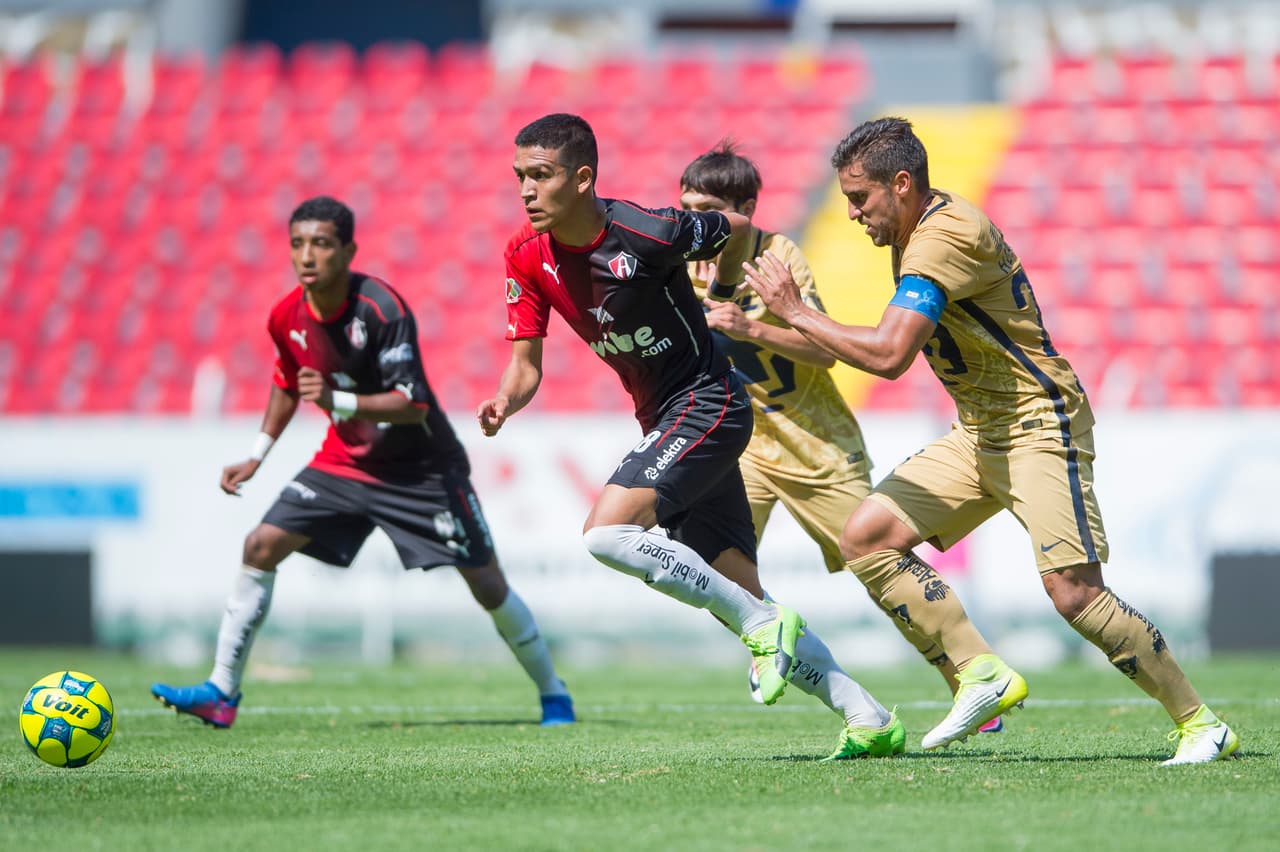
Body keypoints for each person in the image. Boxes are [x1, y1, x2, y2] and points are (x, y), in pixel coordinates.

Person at [741, 116, 1240, 764]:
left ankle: (1202, 723)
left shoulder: (944, 235)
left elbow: (891, 354)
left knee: (1074, 591)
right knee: (866, 537)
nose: (854, 214)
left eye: (860, 198)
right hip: (980, 434)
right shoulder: (914, 229)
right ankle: (981, 672)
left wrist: (797, 312)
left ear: (901, 184)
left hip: (1038, 423)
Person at [477, 113, 904, 759]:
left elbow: (732, 228)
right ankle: (868, 716)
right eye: (520, 178)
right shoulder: (524, 255)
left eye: (541, 175)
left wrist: (726, 291)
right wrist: (506, 400)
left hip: (710, 402)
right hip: (666, 419)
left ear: (583, 177)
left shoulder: (646, 231)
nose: (527, 190)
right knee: (737, 591)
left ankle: (763, 626)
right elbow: (526, 365)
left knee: (607, 534)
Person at [151, 196, 575, 728]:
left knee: (486, 584)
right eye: (299, 244)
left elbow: (412, 402)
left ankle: (554, 694)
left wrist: (336, 402)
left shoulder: (380, 309)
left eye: (322, 243)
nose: (308, 255)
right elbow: (288, 382)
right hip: (345, 464)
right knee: (260, 545)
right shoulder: (286, 316)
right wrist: (257, 455)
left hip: (422, 469)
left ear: (348, 250)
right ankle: (221, 693)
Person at [678, 141, 1002, 733]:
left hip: (818, 444)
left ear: (746, 207)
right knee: (714, 566)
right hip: (745, 446)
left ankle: (969, 681)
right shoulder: (683, 263)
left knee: (878, 562)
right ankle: (768, 634)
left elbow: (824, 356)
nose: (695, 221)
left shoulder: (779, 257)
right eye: (687, 207)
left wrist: (750, 326)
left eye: (708, 208)